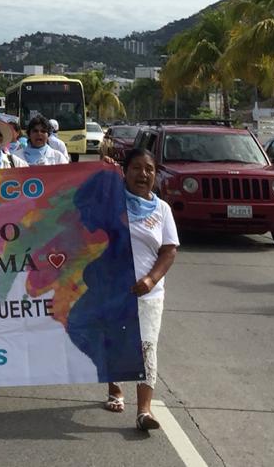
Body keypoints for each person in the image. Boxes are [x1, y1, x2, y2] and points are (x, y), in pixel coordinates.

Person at [103, 147, 179, 433]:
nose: (143, 174)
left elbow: (169, 251)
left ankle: (144, 411)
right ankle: (114, 389)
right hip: (112, 291)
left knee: (147, 347)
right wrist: (103, 171)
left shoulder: (162, 210)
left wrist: (150, 279)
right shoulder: (111, 202)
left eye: (149, 169)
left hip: (148, 294)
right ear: (125, 171)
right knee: (115, 343)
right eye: (136, 168)